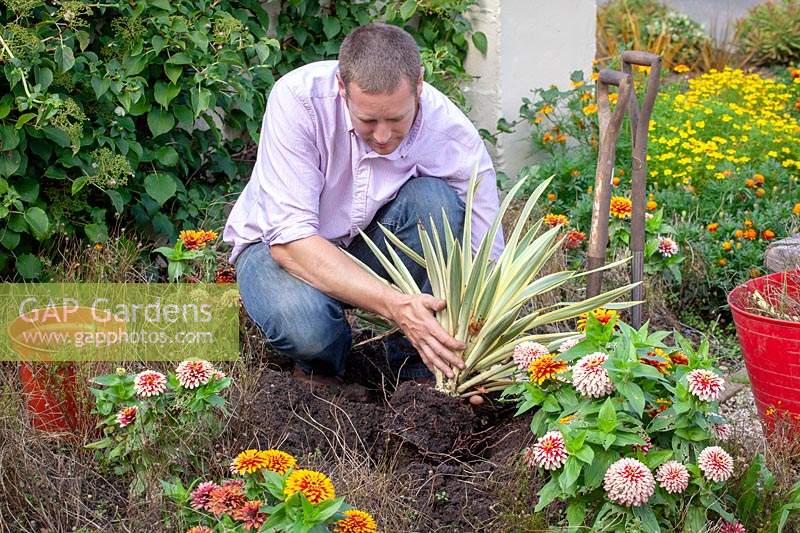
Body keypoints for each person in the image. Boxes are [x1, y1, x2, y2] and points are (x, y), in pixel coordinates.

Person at [223, 22, 504, 392]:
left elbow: (486, 258)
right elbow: (289, 241)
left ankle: (417, 365)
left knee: (434, 201)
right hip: (280, 254)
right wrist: (394, 305)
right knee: (308, 325)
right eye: (368, 120)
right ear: (342, 87)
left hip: (367, 246)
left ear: (419, 85)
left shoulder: (450, 133)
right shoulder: (298, 99)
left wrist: (477, 355)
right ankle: (324, 366)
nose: (383, 135)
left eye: (397, 119)